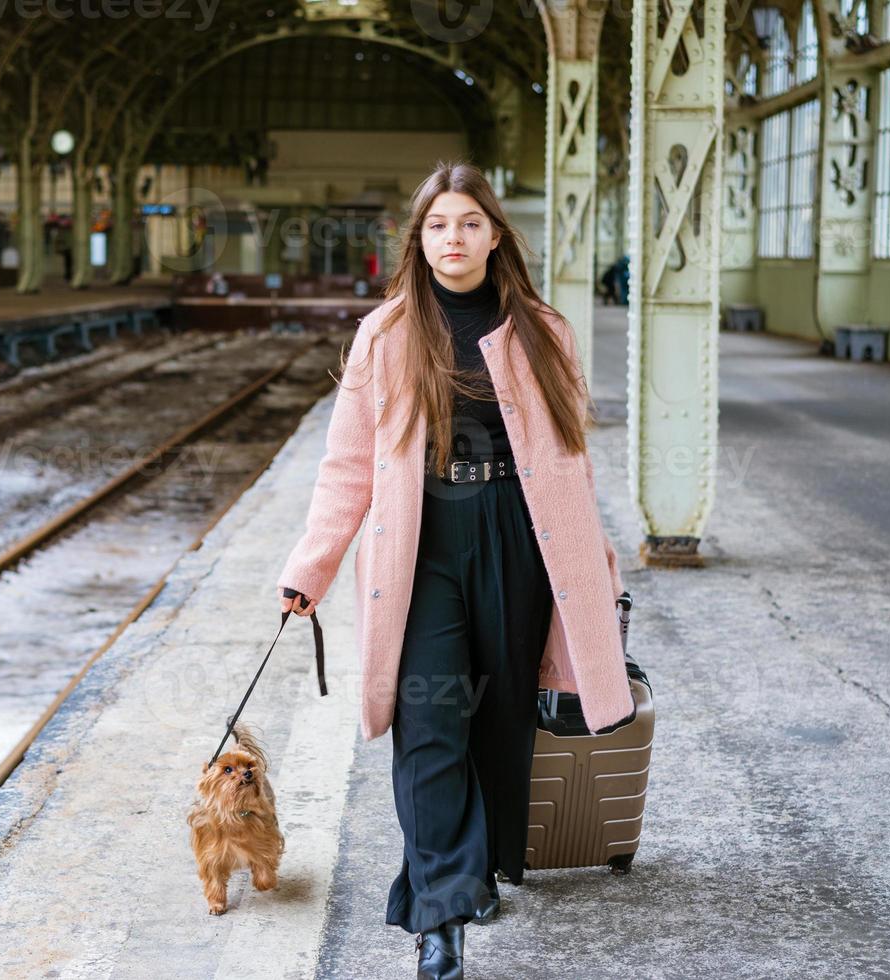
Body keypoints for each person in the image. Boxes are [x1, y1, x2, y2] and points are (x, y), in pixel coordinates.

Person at [275, 161, 629, 979]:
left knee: (501, 712)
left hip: (520, 532)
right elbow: (348, 463)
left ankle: (488, 863)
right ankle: (443, 912)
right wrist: (311, 567)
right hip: (423, 541)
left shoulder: (542, 328)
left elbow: (572, 460)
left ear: (495, 235)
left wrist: (598, 567)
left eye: (469, 222)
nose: (454, 238)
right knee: (429, 714)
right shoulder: (388, 332)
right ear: (419, 239)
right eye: (438, 225)